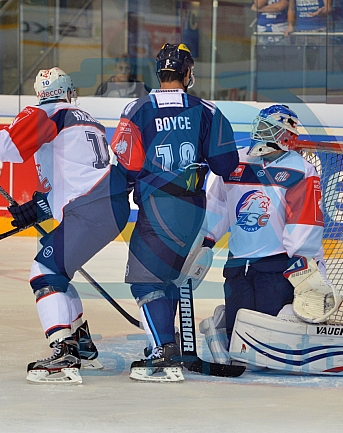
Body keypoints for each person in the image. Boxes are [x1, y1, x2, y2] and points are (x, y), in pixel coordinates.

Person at [0, 67, 131, 384]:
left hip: (92, 208)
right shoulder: (86, 119)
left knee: (44, 272)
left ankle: (63, 353)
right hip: (104, 204)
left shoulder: (48, 113)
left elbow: (10, 146)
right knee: (54, 266)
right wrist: (40, 206)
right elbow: (76, 175)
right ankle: (81, 346)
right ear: (69, 91)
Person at [110, 43, 239, 382]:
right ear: (186, 73)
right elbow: (227, 165)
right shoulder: (208, 111)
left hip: (157, 210)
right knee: (169, 278)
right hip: (194, 212)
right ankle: (172, 342)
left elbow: (124, 167)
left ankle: (164, 352)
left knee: (145, 282)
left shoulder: (137, 109)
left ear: (160, 73)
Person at [199, 104, 324, 347]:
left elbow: (304, 221)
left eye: (267, 127)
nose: (259, 132)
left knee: (270, 338)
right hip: (238, 264)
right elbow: (218, 204)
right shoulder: (235, 161)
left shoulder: (301, 170)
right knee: (238, 339)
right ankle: (225, 321)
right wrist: (207, 239)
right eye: (259, 125)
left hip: (275, 267)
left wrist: (305, 259)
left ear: (285, 135)